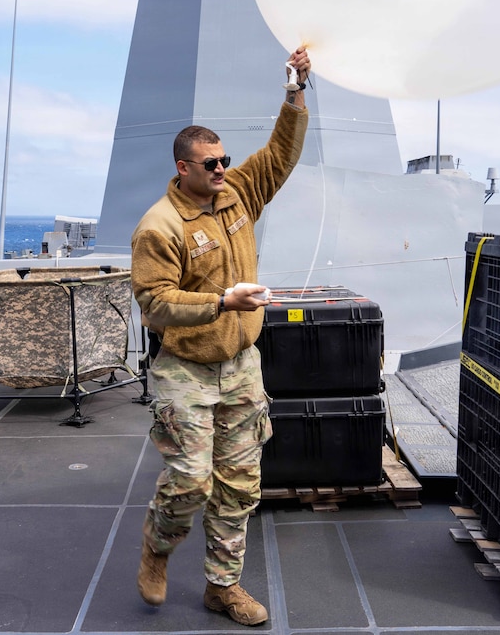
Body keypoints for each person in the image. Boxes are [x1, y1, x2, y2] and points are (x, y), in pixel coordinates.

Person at [130, 47, 311, 626]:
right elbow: (155, 304)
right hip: (184, 368)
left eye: (224, 159)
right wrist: (221, 301)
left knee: (239, 485)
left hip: (240, 364)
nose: (221, 169)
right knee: (189, 481)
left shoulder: (235, 193)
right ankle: (156, 552)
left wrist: (294, 92)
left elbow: (280, 155)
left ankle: (222, 587)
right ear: (183, 167)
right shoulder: (160, 226)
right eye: (210, 163)